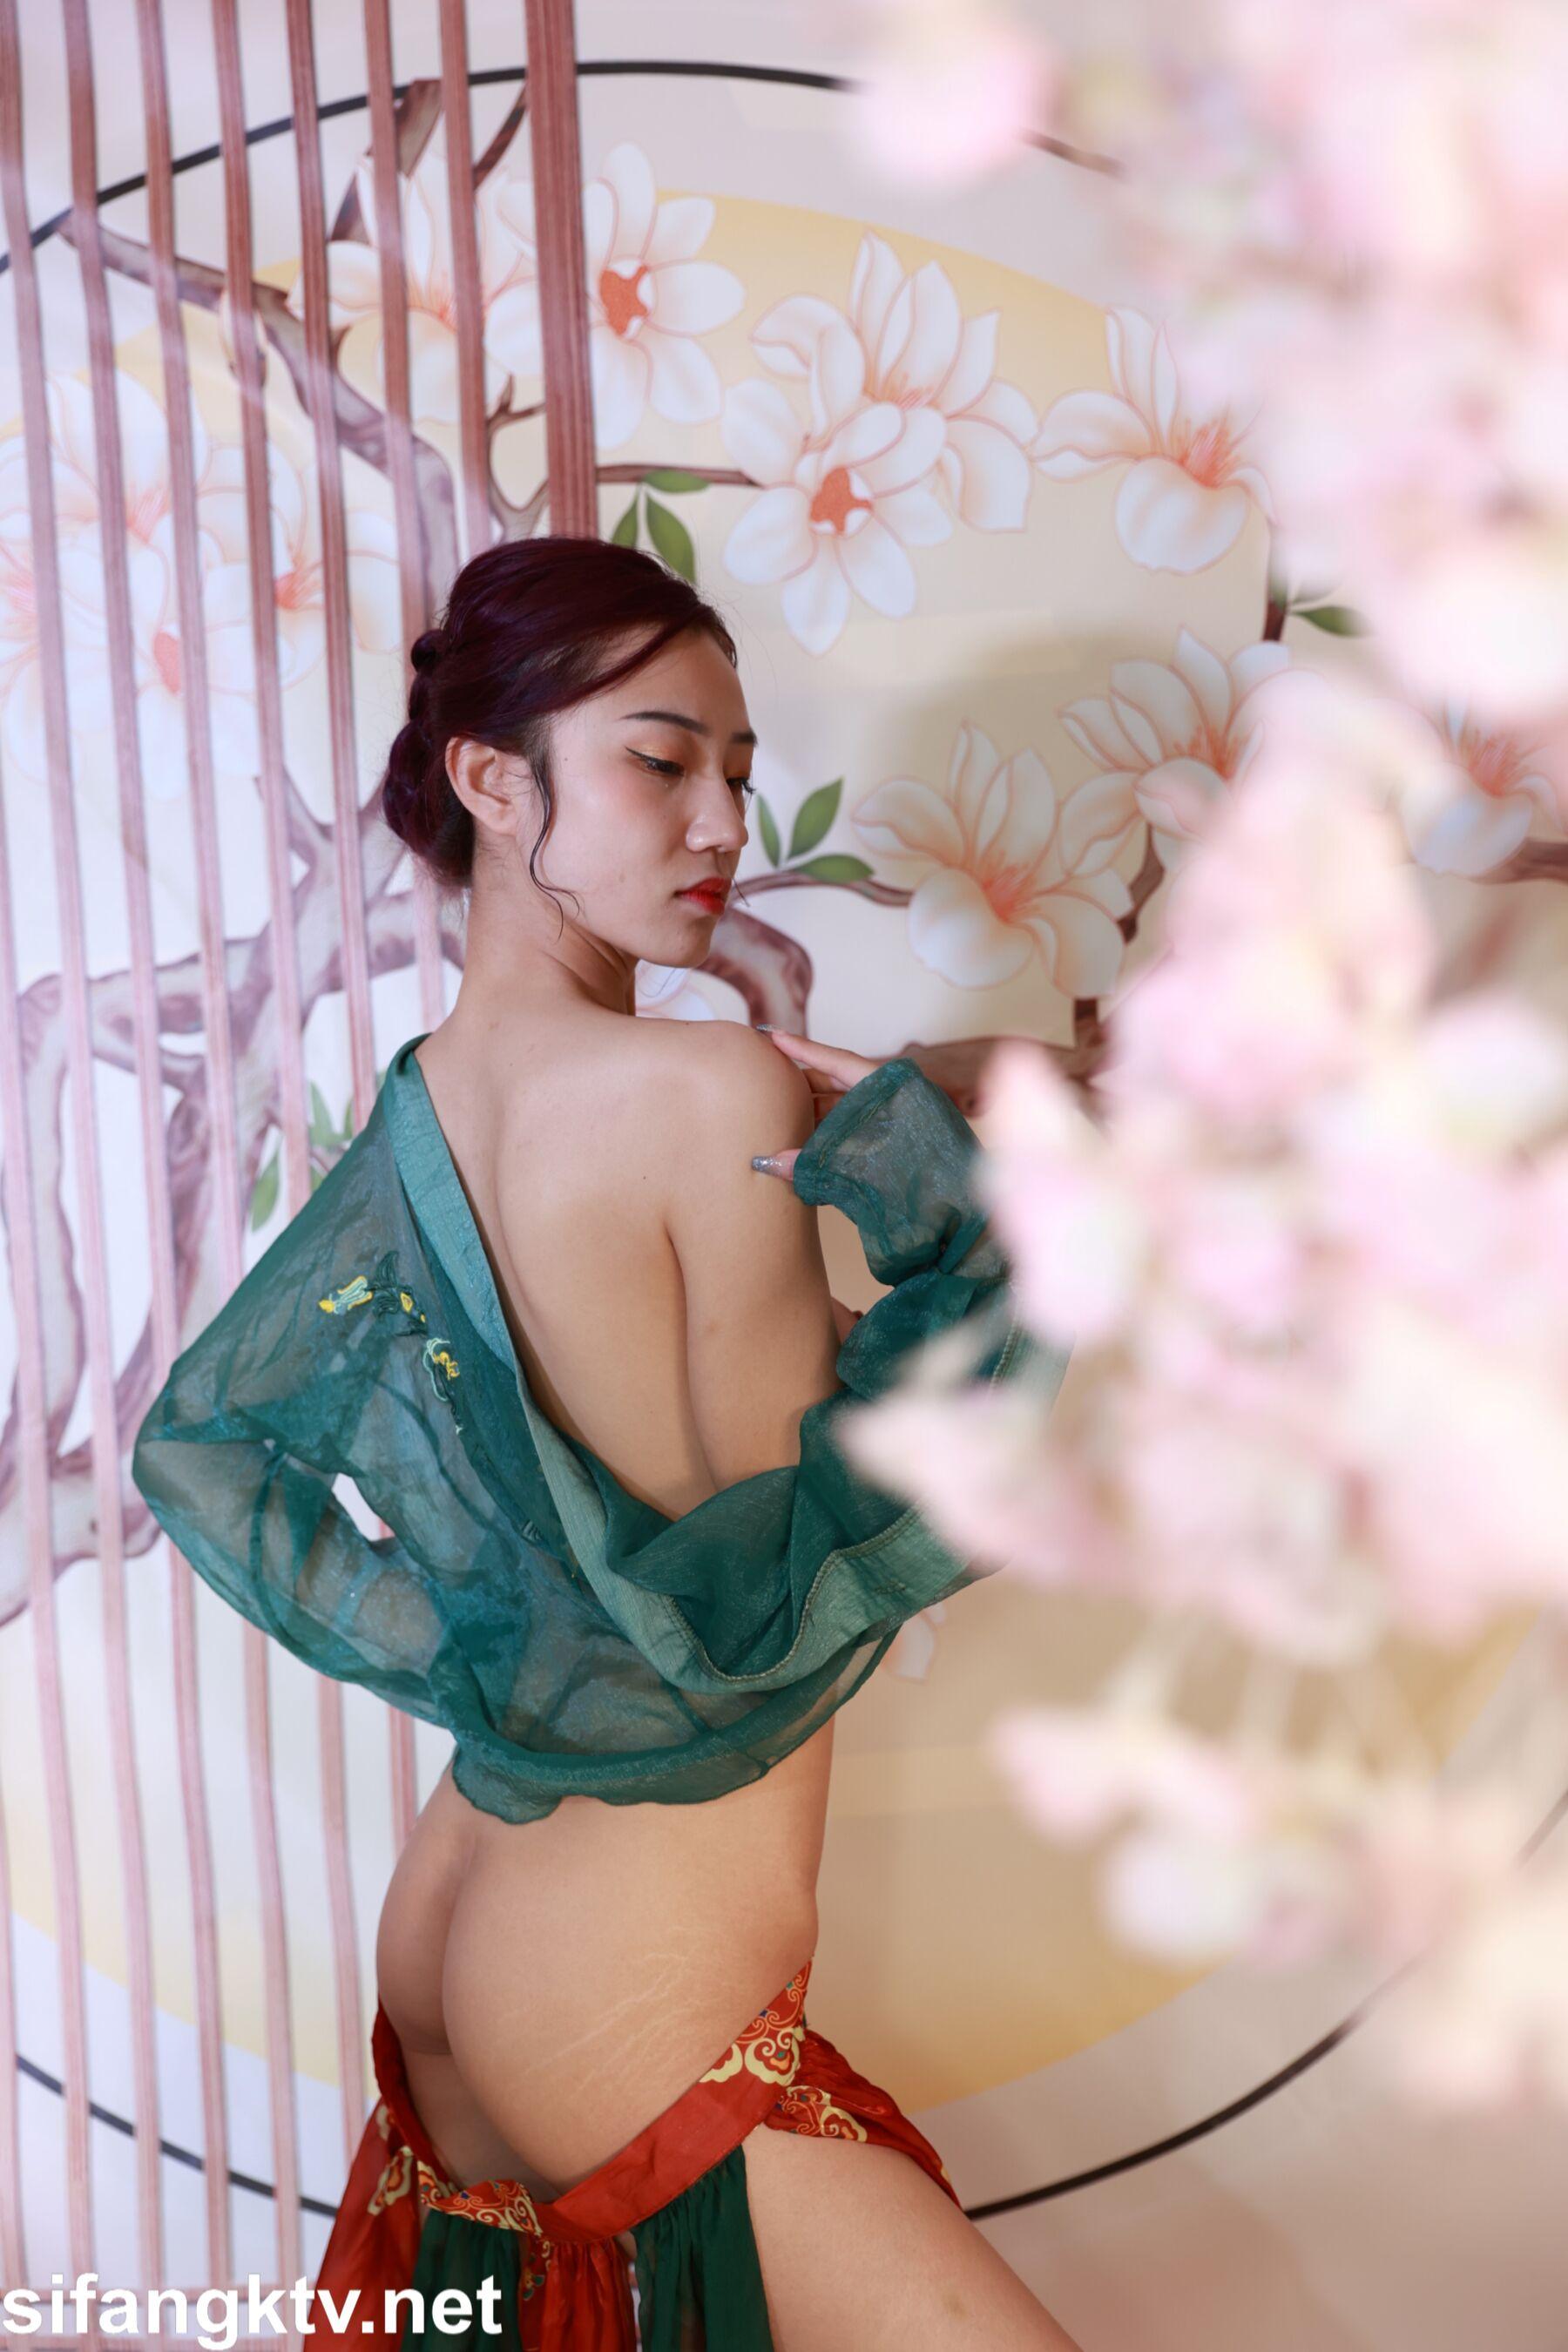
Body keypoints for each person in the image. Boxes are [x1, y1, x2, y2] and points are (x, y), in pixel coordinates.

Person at [132, 537, 1082, 2350]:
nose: (721, 819)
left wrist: (494, 1653)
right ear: (496, 785)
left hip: (463, 1921)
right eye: (660, 761)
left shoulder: (429, 1104)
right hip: (623, 1992)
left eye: (738, 768)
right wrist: (956, 1200)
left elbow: (204, 1449)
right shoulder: (710, 1089)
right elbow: (778, 1586)